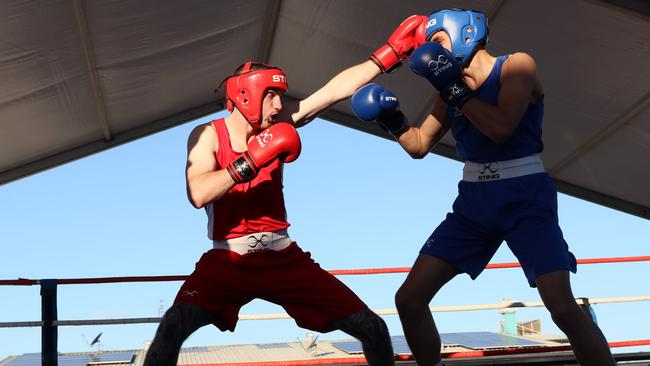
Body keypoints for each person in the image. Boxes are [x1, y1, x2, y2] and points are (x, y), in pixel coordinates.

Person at [142, 14, 430, 365]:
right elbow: (198, 192)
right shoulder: (206, 136)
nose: (279, 105)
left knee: (373, 328)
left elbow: (332, 91)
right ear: (246, 95)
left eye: (281, 96)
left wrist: (386, 55)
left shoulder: (279, 123)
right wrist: (250, 160)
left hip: (284, 257)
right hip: (227, 260)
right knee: (171, 328)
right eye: (272, 95)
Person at [351, 8, 617, 366]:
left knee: (562, 307)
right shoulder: (450, 92)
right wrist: (392, 119)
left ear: (465, 32)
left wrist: (454, 88)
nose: (433, 52)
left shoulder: (516, 66)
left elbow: (502, 127)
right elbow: (418, 145)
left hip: (525, 195)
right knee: (409, 298)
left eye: (438, 41)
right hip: (474, 202)